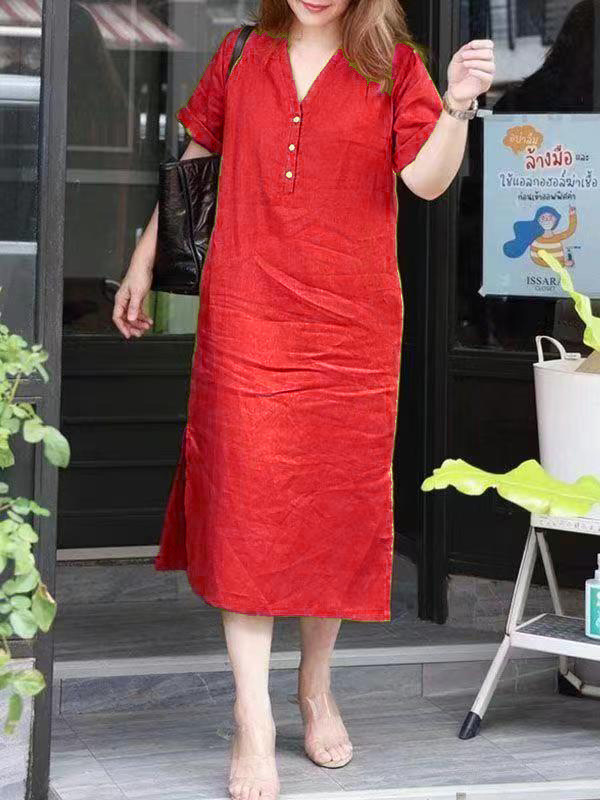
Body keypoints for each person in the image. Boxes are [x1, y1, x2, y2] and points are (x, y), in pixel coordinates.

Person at [113, 2, 494, 797]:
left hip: (350, 325)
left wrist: (457, 106)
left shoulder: (395, 63)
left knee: (330, 506)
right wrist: (144, 260)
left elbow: (425, 181)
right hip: (247, 311)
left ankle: (314, 685)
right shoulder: (240, 53)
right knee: (246, 505)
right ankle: (252, 714)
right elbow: (197, 156)